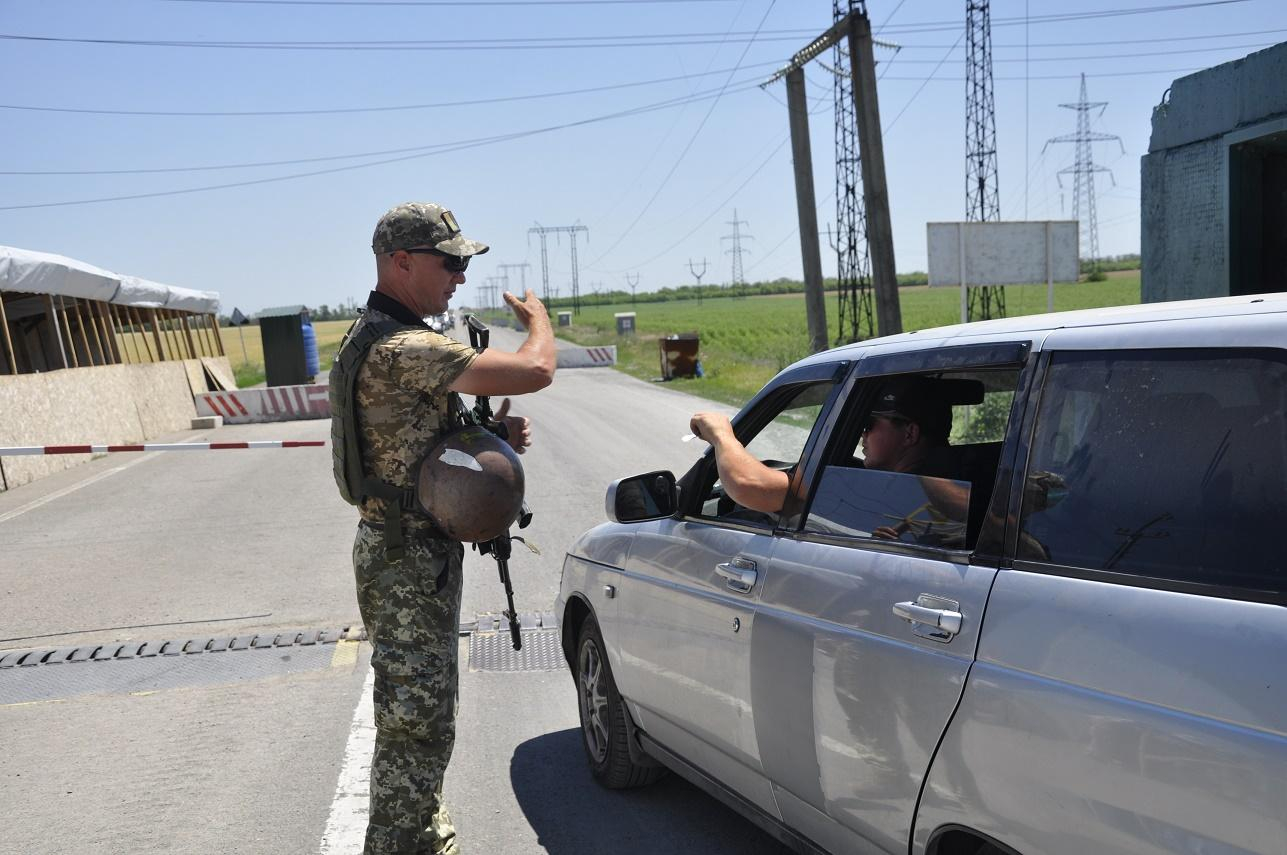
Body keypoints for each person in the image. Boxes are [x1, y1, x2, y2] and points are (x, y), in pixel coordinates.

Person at [329, 202, 556, 854]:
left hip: (400, 550)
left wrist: (487, 435)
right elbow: (536, 369)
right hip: (405, 562)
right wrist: (538, 324)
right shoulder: (403, 346)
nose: (460, 276)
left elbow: (406, 442)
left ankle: (426, 836)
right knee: (417, 724)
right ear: (401, 262)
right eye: (449, 262)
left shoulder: (371, 335)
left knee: (418, 718)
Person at [688, 377, 956, 515]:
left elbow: (748, 484)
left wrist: (722, 435)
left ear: (909, 434)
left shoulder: (873, 488)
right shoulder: (963, 480)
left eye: (869, 424)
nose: (862, 434)